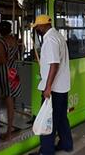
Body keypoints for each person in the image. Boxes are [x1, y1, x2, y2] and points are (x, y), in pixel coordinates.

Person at [31, 15, 73, 154]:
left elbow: (54, 65)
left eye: (37, 27)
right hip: (62, 87)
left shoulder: (49, 39)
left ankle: (46, 151)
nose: (36, 29)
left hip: (54, 89)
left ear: (42, 26)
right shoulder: (58, 36)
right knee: (60, 117)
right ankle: (66, 144)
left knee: (48, 120)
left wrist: (48, 87)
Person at [0, 21, 22, 140]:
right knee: (11, 101)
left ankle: (8, 131)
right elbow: (15, 56)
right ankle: (3, 125)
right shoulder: (14, 40)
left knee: (4, 99)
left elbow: (1, 60)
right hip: (13, 72)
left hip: (4, 73)